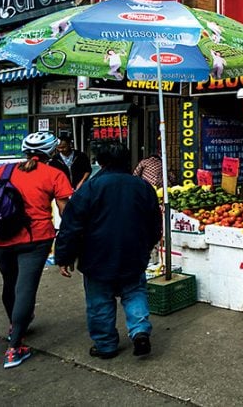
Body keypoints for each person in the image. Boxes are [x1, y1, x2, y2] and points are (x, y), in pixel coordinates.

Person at [0, 131, 74, 369]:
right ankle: (14, 348)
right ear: (51, 151)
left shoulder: (3, 171)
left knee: (10, 283)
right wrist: (72, 239)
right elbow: (67, 212)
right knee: (25, 288)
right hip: (35, 240)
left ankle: (16, 324)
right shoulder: (54, 174)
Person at [54, 142, 162, 359]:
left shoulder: (91, 188)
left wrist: (64, 256)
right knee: (134, 292)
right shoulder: (142, 187)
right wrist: (148, 245)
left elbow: (72, 225)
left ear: (100, 162)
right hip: (133, 253)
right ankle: (139, 331)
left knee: (99, 302)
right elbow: (155, 222)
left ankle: (106, 345)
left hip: (96, 256)